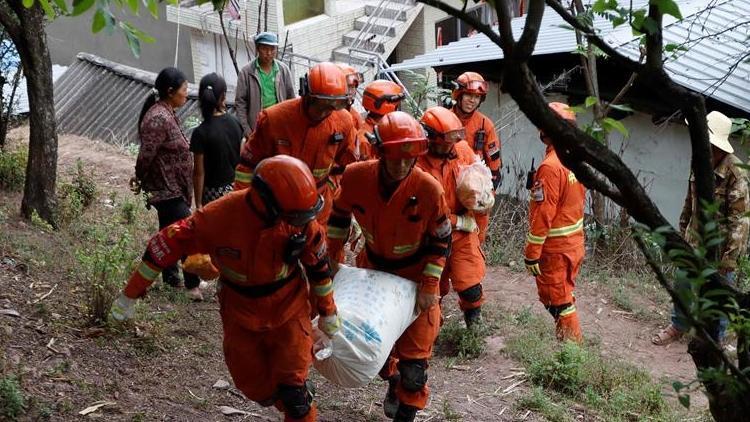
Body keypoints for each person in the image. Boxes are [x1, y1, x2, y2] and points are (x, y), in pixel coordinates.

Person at [111, 155, 341, 422]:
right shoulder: (217, 218)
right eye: (294, 216)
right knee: (253, 384)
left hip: (288, 310)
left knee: (295, 393)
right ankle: (286, 398)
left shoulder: (300, 222)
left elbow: (319, 268)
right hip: (240, 312)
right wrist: (129, 296)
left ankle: (298, 401)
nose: (300, 222)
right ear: (266, 203)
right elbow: (163, 246)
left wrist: (328, 313)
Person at [327, 111, 452, 422]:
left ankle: (406, 411)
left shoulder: (428, 189)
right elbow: (339, 217)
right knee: (373, 349)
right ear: (379, 152)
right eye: (393, 158)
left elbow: (441, 241)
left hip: (416, 277)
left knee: (415, 367)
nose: (400, 166)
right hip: (373, 271)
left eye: (408, 159)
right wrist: (332, 258)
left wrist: (430, 285)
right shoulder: (356, 177)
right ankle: (391, 379)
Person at [652, 111, 749, 346]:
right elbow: (690, 202)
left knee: (718, 295)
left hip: (721, 248)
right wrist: (682, 231)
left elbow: (741, 223)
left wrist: (728, 261)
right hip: (695, 240)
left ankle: (713, 341)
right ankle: (679, 325)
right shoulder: (699, 162)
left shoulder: (737, 175)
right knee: (683, 282)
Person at [234, 61, 358, 225]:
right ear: (306, 94)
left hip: (320, 210)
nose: (324, 112)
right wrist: (246, 208)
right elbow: (247, 167)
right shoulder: (274, 120)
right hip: (278, 209)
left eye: (332, 106)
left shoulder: (343, 122)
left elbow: (346, 166)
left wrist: (331, 189)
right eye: (320, 105)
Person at [134, 67, 203, 301]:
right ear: (171, 91)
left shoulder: (168, 112)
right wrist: (139, 177)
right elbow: (146, 155)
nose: (187, 93)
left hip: (174, 187)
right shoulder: (157, 118)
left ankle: (168, 279)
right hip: (165, 188)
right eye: (184, 89)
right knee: (186, 232)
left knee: (167, 234)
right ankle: (192, 284)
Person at [417, 107, 486, 328]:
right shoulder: (416, 163)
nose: (450, 147)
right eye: (445, 142)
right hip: (430, 237)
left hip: (462, 235)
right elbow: (422, 211)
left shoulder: (462, 150)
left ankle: (474, 325)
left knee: (471, 285)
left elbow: (481, 181)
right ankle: (431, 326)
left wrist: (483, 196)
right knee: (432, 288)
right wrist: (457, 221)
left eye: (452, 141)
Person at [523, 102, 585, 343]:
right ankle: (567, 347)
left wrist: (532, 252)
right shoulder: (573, 159)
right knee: (563, 296)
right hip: (573, 245)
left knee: (558, 302)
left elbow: (544, 214)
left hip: (556, 249)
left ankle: (574, 354)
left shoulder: (550, 167)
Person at [450, 71, 500, 242]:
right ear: (459, 95)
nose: (472, 100)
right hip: (449, 184)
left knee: (477, 237)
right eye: (469, 95)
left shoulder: (485, 125)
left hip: (476, 189)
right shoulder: (444, 119)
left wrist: (488, 193)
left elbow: (494, 167)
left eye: (477, 97)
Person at [191, 73, 243, 210]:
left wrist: (198, 204)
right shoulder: (236, 123)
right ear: (223, 96)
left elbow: (198, 172)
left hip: (212, 195)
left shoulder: (200, 133)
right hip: (235, 190)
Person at [234, 31, 296, 137]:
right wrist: (247, 131)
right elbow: (240, 104)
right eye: (265, 49)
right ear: (258, 49)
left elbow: (291, 98)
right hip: (257, 127)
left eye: (272, 49)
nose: (269, 53)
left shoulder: (283, 70)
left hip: (280, 123)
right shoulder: (246, 72)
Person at [358, 80, 405, 160]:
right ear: (386, 106)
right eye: (396, 105)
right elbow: (370, 170)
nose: (397, 109)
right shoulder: (365, 140)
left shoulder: (387, 128)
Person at [335, 63, 364, 130]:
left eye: (353, 87)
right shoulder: (325, 112)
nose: (351, 92)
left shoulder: (355, 117)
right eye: (348, 87)